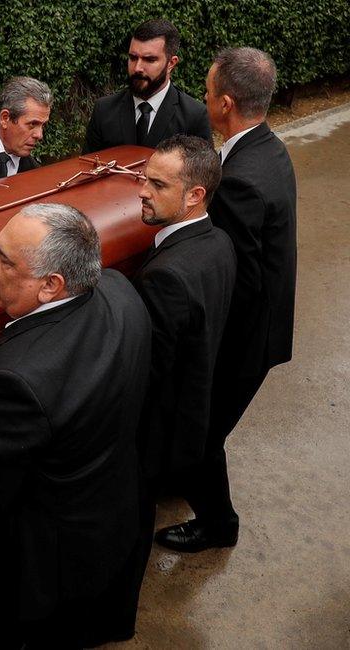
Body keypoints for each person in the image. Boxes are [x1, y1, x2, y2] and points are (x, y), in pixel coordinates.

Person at [0, 203, 152, 648]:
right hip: (114, 508)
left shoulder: (16, 381)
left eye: (4, 260)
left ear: (50, 286)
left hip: (45, 557)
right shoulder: (119, 290)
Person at [155, 47, 297, 553]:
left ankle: (218, 525)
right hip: (268, 326)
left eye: (209, 91)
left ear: (226, 103)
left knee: (200, 431)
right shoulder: (268, 148)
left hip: (245, 338)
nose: (204, 98)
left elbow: (233, 277)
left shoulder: (240, 180)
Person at [129, 135, 235, 618]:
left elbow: (151, 369)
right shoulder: (217, 239)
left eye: (156, 183)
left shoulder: (167, 274)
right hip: (205, 385)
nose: (142, 191)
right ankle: (221, 523)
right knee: (206, 454)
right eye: (144, 177)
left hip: (174, 411)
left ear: (195, 195)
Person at [83, 19, 211, 153]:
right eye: (133, 58)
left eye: (149, 60)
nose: (137, 68)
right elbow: (87, 169)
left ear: (171, 63)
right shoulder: (104, 110)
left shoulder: (194, 117)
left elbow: (203, 173)